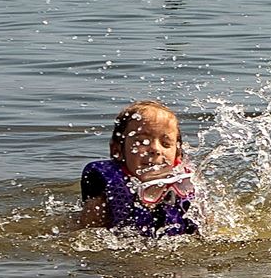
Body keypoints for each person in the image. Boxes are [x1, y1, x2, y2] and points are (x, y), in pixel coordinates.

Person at [79, 100, 202, 237]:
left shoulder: (187, 186)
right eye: (142, 142)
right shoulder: (107, 189)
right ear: (117, 150)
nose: (155, 149)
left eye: (166, 144)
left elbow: (210, 230)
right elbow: (85, 233)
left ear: (178, 154)